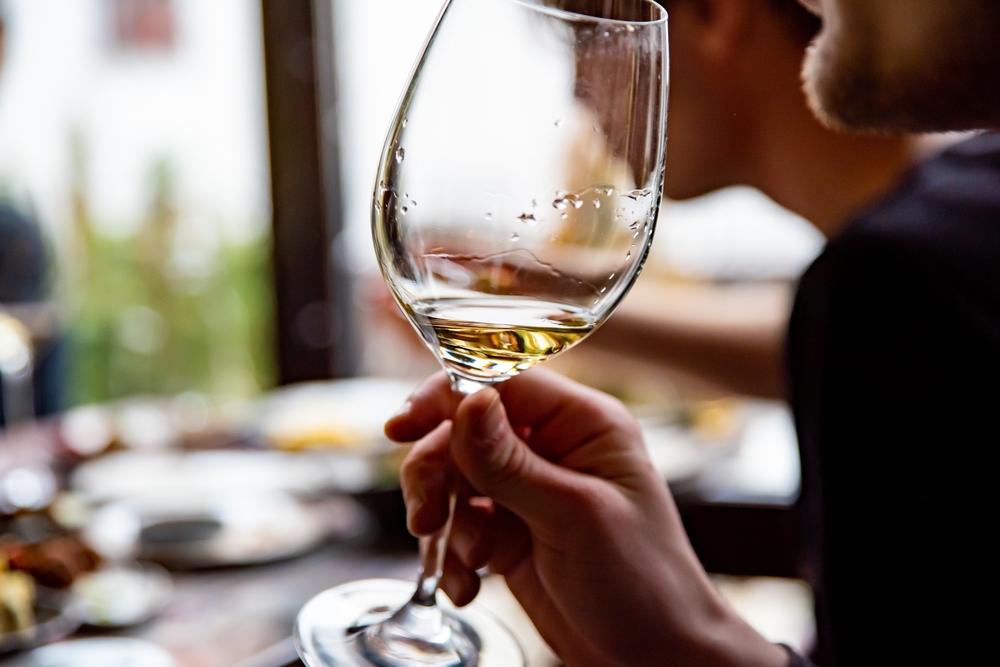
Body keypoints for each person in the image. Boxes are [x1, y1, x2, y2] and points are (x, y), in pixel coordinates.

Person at [391, 0, 1000, 665]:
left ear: (718, 12)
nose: (578, 92)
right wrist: (693, 639)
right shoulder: (931, 256)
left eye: (594, 44)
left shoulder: (899, 280)